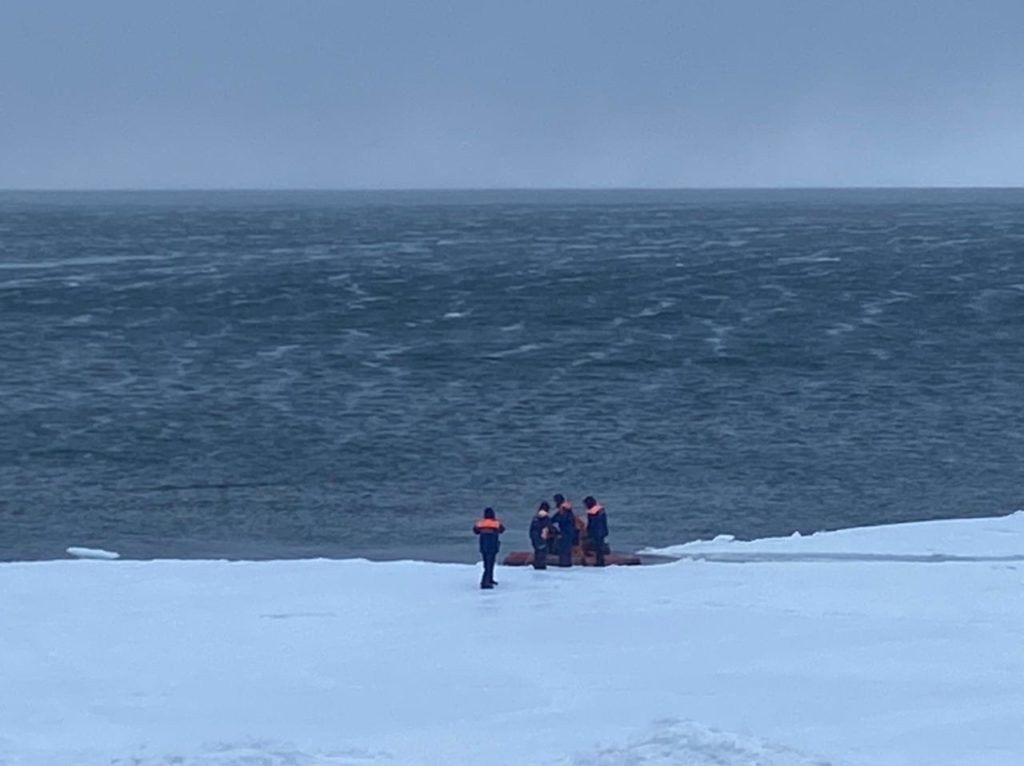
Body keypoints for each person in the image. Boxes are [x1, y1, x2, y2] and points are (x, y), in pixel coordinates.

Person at [473, 507, 505, 589]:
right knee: (490, 564)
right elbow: (502, 530)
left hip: (483, 546)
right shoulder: (496, 524)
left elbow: (475, 531)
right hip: (493, 546)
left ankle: (489, 579)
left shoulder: (480, 523)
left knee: (486, 564)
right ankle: (485, 582)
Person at [551, 494, 577, 567]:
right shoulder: (565, 509)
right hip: (568, 531)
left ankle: (564, 564)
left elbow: (561, 519)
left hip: (566, 531)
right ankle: (566, 563)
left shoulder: (564, 510)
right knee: (566, 549)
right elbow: (554, 518)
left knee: (564, 549)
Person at [584, 495, 609, 566]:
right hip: (603, 530)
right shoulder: (601, 510)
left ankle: (600, 562)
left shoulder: (592, 512)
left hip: (596, 531)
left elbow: (591, 524)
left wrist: (588, 532)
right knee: (600, 546)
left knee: (598, 548)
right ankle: (601, 560)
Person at [528, 501, 552, 570]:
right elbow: (546, 528)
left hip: (534, 536)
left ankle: (536, 565)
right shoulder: (546, 518)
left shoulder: (536, 517)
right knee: (542, 551)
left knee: (537, 551)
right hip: (540, 537)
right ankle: (541, 566)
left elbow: (531, 529)